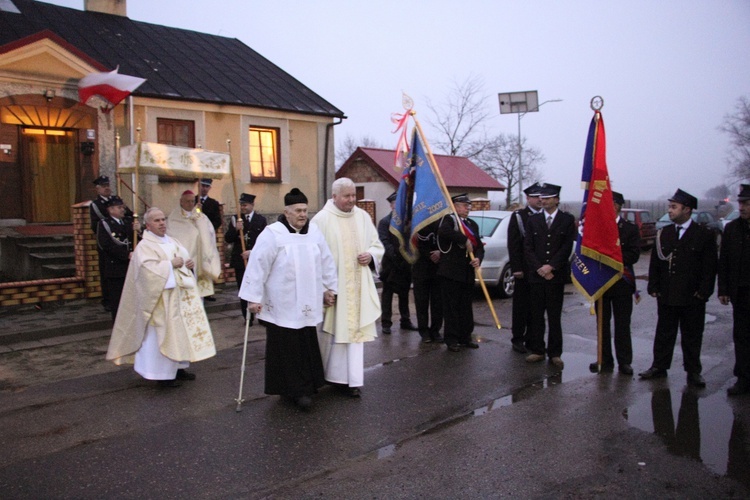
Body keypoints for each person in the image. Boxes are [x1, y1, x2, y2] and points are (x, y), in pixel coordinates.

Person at [239, 188, 337, 409]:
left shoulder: (314, 233)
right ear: (286, 212)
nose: (303, 214)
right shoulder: (272, 234)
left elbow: (326, 262)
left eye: (305, 210)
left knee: (306, 345)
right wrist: (253, 297)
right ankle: (292, 391)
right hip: (282, 303)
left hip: (307, 303)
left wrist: (329, 288)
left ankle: (307, 386)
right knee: (285, 349)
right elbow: (258, 265)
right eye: (298, 211)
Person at [106, 207, 216, 387]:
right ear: (148, 226)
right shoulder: (145, 246)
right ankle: (162, 376)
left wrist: (189, 265)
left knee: (180, 335)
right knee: (162, 337)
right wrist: (169, 265)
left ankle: (179, 368)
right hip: (160, 301)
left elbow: (184, 262)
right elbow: (146, 272)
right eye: (157, 221)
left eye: (163, 219)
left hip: (178, 299)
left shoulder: (172, 241)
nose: (162, 223)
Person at [311, 177, 384, 397]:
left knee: (354, 334)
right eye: (347, 196)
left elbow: (376, 244)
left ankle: (352, 380)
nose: (352, 200)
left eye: (354, 195)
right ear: (334, 197)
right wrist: (324, 289)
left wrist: (370, 255)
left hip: (358, 287)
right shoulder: (321, 220)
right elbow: (314, 258)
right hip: (334, 289)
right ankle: (327, 376)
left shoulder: (362, 217)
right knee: (331, 333)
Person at [639, 189, 718, 387]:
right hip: (667, 294)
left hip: (692, 296)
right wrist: (653, 286)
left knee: (692, 335)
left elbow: (710, 267)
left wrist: (703, 292)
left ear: (687, 209)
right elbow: (656, 263)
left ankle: (693, 371)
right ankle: (659, 366)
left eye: (674, 207)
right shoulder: (663, 233)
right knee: (664, 332)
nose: (670, 211)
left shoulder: (703, 234)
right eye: (669, 207)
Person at [523, 183, 576, 368]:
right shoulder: (533, 220)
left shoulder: (567, 220)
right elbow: (528, 247)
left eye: (547, 198)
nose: (543, 201)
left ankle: (555, 353)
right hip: (537, 276)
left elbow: (566, 246)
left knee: (554, 316)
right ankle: (538, 350)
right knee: (536, 315)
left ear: (557, 200)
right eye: (541, 198)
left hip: (555, 276)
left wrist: (551, 266)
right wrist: (540, 268)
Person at [588, 191, 640, 375]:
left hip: (621, 282)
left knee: (622, 324)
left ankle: (624, 361)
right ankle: (604, 359)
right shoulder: (596, 228)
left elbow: (633, 255)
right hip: (601, 282)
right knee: (602, 323)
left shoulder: (630, 229)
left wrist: (611, 258)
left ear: (618, 206)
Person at [437, 194, 484, 352]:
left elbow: (479, 246)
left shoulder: (472, 224)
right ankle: (451, 339)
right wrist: (463, 240)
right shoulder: (449, 220)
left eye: (468, 206)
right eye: (464, 205)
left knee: (465, 307)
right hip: (451, 272)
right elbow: (444, 232)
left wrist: (478, 258)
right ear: (455, 206)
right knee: (451, 307)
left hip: (467, 272)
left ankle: (465, 336)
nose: (467, 209)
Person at [718, 184, 750, 395]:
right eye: (740, 203)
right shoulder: (732, 228)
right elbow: (725, 261)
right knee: (742, 336)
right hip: (741, 292)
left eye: (746, 203)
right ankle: (744, 378)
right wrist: (723, 289)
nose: (742, 207)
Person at [506, 182, 543, 353]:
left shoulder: (546, 215)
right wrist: (516, 268)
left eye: (541, 197)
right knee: (521, 306)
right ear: (528, 199)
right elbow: (513, 244)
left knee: (536, 308)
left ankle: (533, 338)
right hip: (524, 269)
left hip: (541, 270)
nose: (539, 200)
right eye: (535, 197)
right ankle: (518, 338)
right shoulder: (520, 216)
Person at [90, 175, 133, 312]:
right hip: (110, 243)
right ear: (98, 189)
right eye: (104, 186)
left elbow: (129, 215)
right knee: (107, 274)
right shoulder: (96, 205)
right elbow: (97, 225)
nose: (107, 188)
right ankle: (107, 299)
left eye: (108, 185)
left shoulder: (117, 201)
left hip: (124, 246)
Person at [167, 190, 221, 298]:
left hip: (199, 258)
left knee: (199, 295)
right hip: (184, 259)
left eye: (192, 201)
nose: (190, 204)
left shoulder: (201, 216)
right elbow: (171, 236)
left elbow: (210, 233)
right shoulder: (173, 218)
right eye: (187, 201)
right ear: (181, 202)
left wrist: (199, 221)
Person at [377, 192, 417, 334]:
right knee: (387, 295)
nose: (399, 207)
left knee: (404, 294)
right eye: (396, 204)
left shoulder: (407, 222)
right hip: (390, 265)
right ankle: (386, 323)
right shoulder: (385, 222)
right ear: (391, 205)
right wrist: (395, 256)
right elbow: (384, 241)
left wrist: (407, 258)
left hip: (405, 264)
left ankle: (405, 320)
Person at [96, 196, 140, 321]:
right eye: (119, 207)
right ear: (111, 209)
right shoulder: (105, 224)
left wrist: (138, 231)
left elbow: (136, 241)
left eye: (123, 207)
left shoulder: (128, 222)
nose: (123, 209)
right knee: (118, 301)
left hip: (130, 267)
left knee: (132, 299)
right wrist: (126, 254)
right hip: (115, 268)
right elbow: (106, 245)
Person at [225, 193, 267, 322]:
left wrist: (252, 252)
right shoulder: (236, 219)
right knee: (244, 288)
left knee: (260, 286)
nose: (242, 208)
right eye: (241, 205)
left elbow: (265, 242)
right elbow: (228, 239)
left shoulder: (261, 220)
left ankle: (261, 315)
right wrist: (236, 230)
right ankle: (247, 318)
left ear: (252, 205)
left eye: (245, 205)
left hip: (256, 260)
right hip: (240, 261)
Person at [413, 220, 443, 343]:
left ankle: (435, 330)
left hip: (438, 269)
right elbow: (417, 243)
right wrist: (430, 255)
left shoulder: (443, 221)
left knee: (438, 303)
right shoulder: (420, 220)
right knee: (421, 302)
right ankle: (424, 331)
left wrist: (441, 253)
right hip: (421, 268)